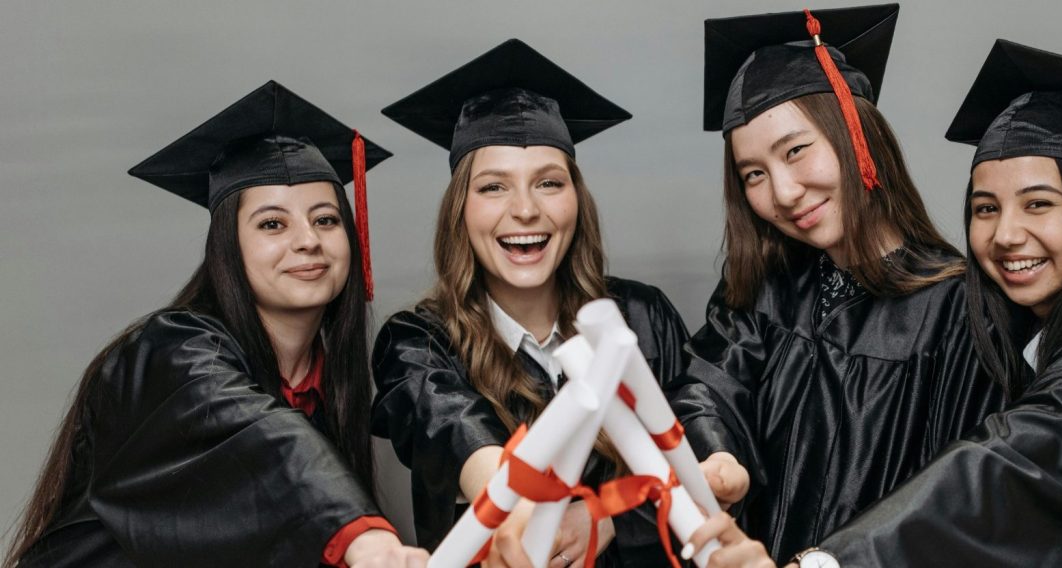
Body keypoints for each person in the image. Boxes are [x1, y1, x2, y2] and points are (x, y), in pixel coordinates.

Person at [695, 39, 1062, 568]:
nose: (1007, 234)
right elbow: (708, 384)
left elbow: (989, 480)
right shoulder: (766, 292)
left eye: (1038, 204)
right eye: (986, 208)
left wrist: (823, 563)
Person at [4, 81, 429, 567]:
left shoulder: (327, 390)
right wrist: (365, 538)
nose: (308, 240)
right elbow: (256, 434)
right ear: (228, 247)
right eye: (273, 224)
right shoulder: (172, 352)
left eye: (327, 220)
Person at [665, 5, 1005, 563]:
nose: (783, 192)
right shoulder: (764, 291)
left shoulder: (960, 309)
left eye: (796, 150)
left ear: (858, 136)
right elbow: (705, 389)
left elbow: (959, 504)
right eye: (753, 174)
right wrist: (716, 455)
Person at [371, 39, 689, 567]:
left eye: (548, 182)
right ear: (461, 212)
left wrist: (608, 517)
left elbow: (688, 460)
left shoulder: (640, 318)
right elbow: (451, 428)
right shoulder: (418, 342)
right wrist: (516, 510)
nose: (525, 209)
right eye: (493, 187)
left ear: (576, 200)